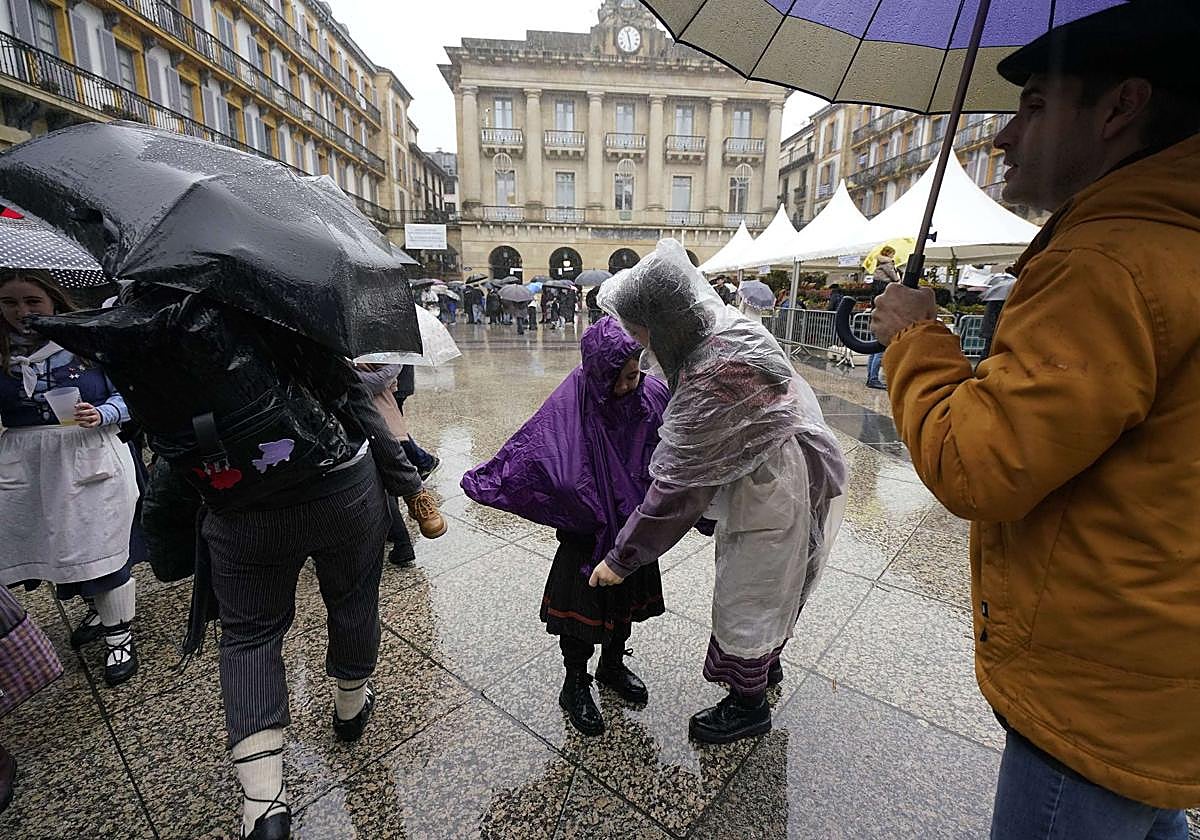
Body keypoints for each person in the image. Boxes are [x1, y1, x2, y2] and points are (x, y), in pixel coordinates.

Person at [869, 4, 1200, 837]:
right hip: (1162, 658)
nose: (1003, 138)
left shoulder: (1107, 258)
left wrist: (915, 334)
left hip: (1099, 679)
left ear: (1121, 107)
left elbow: (978, 464)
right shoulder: (1173, 238)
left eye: (1035, 106)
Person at [587, 239, 847, 744]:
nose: (638, 343)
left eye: (639, 331)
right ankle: (764, 668)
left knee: (748, 595)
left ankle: (747, 705)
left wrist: (623, 557)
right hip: (790, 472)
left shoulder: (711, 370)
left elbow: (678, 486)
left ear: (662, 320)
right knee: (776, 586)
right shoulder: (730, 329)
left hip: (770, 490)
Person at [461, 317, 671, 736]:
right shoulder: (574, 402)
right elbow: (538, 452)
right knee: (580, 620)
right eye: (624, 378)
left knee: (624, 606)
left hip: (631, 534)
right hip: (586, 535)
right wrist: (582, 502)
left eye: (636, 373)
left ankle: (612, 665)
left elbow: (673, 451)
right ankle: (575, 681)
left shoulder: (651, 394)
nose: (633, 383)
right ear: (601, 373)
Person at [0, 269, 140, 687]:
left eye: (32, 302)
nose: (22, 311)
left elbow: (132, 394)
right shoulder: (2, 352)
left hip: (88, 451)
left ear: (54, 302)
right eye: (10, 302)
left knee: (97, 540)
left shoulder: (86, 342)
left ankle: (120, 633)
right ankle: (99, 609)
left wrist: (103, 413)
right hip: (28, 463)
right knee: (60, 546)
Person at [354, 363, 418, 567]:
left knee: (383, 481)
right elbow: (388, 382)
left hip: (370, 422)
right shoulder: (381, 349)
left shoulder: (380, 350)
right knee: (386, 477)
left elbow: (382, 380)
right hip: (383, 419)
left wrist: (347, 376)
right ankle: (397, 537)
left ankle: (401, 541)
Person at [866, 247, 901, 389]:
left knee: (873, 349)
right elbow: (897, 279)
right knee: (880, 350)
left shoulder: (877, 270)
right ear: (889, 254)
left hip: (875, 317)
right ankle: (873, 378)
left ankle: (870, 376)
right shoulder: (888, 266)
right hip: (884, 320)